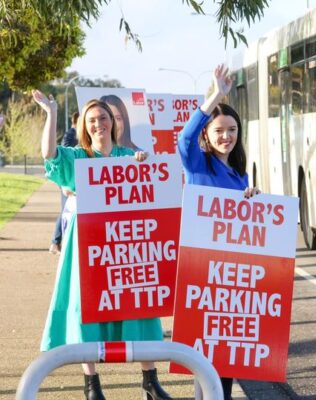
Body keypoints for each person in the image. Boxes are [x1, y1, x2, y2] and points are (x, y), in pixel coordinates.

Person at [32, 89, 173, 400]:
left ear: (114, 123)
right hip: (87, 246)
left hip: (126, 248)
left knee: (138, 305)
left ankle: (150, 379)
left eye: (104, 118)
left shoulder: (128, 157)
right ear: (85, 125)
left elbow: (154, 191)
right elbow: (49, 156)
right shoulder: (77, 158)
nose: (99, 124)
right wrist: (51, 112)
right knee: (85, 309)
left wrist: (143, 165)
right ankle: (91, 384)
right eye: (92, 120)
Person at [178, 64, 260, 400]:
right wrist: (215, 96)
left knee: (225, 351)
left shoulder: (239, 174)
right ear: (207, 136)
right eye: (219, 130)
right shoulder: (198, 165)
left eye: (232, 129)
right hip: (204, 270)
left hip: (233, 272)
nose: (226, 136)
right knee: (205, 351)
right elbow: (183, 138)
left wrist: (254, 200)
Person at [49, 111, 79, 255]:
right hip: (68, 180)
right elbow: (64, 149)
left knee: (67, 210)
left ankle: (57, 243)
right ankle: (55, 243)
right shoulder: (71, 134)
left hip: (72, 179)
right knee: (66, 210)